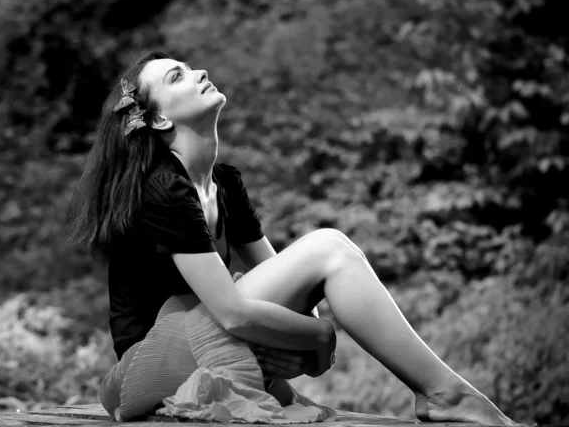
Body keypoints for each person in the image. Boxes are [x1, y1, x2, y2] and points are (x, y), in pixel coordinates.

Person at [67, 51, 520, 425]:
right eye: (178, 76)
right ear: (161, 119)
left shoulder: (223, 183)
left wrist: (305, 348)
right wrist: (319, 337)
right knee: (329, 247)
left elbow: (289, 289)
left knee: (331, 254)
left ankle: (443, 394)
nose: (200, 71)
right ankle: (445, 395)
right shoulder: (162, 187)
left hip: (204, 339)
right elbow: (235, 314)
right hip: (149, 365)